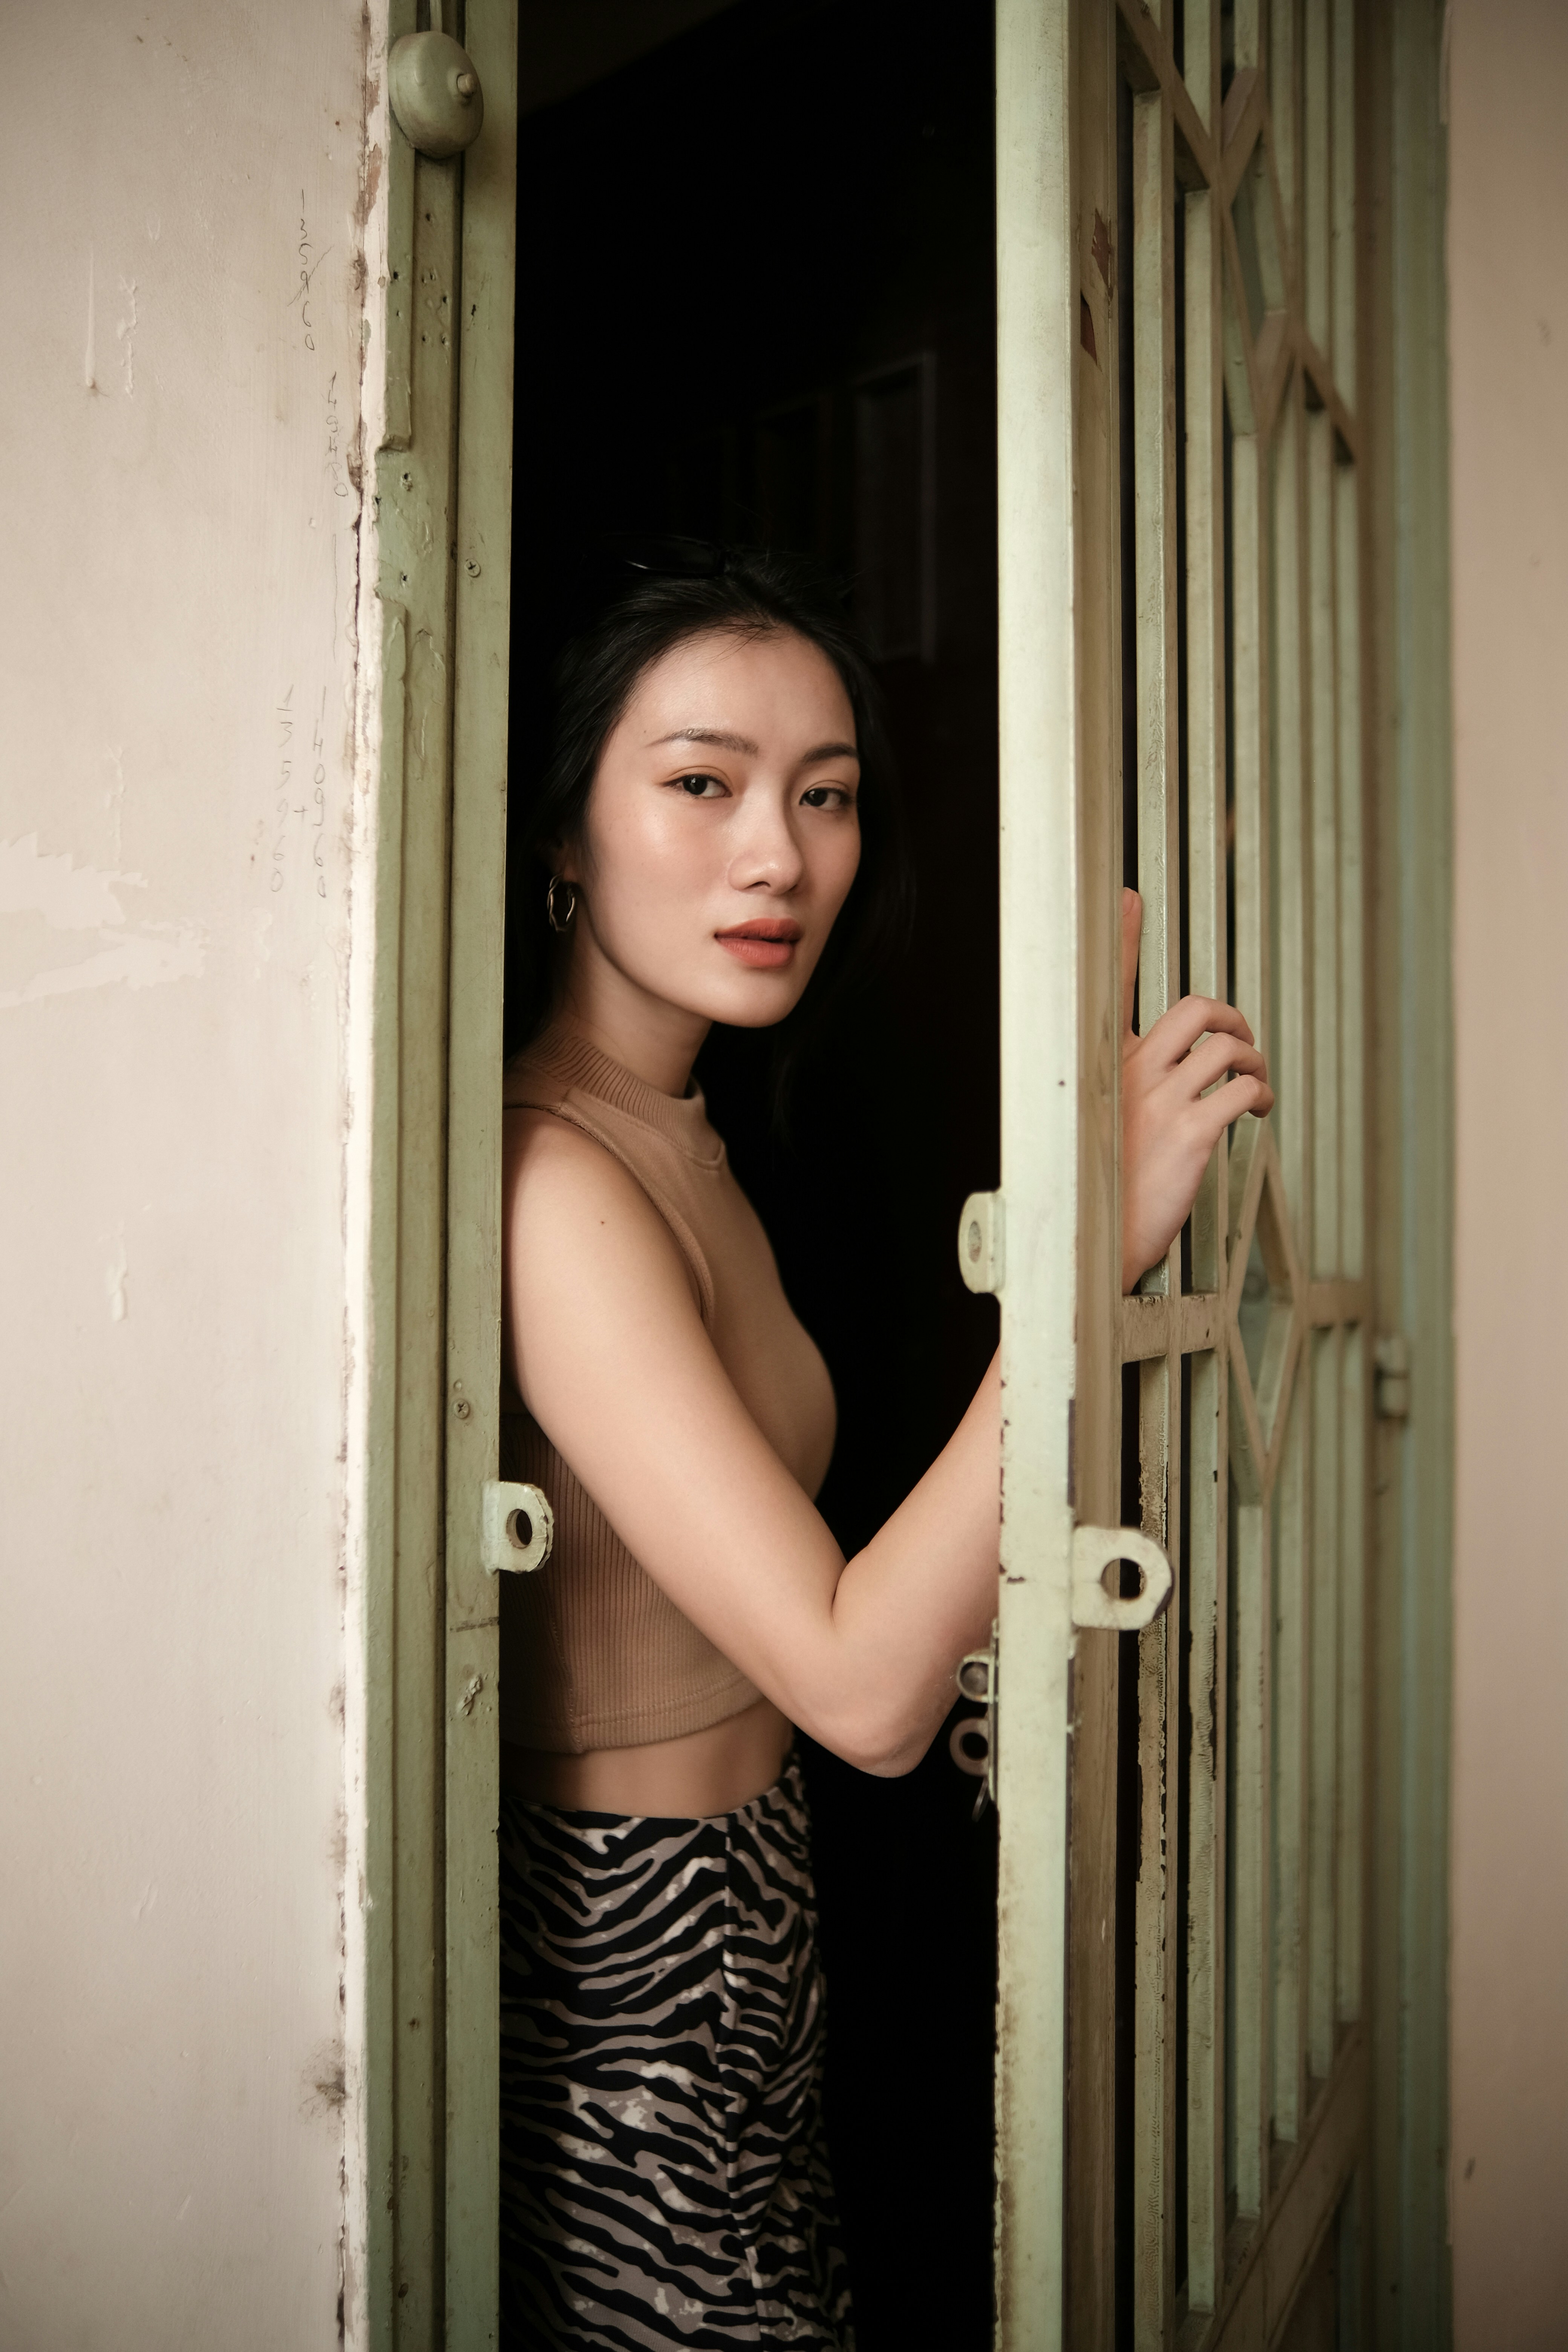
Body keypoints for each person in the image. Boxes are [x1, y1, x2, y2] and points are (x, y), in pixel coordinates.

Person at [496, 542, 1272, 2350]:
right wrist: (1080, 1266)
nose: (778, 855)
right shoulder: (556, 1184)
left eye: (823, 796)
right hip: (634, 1989)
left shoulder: (674, 1130)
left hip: (743, 1944)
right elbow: (860, 1687)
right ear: (560, 836)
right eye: (699, 784)